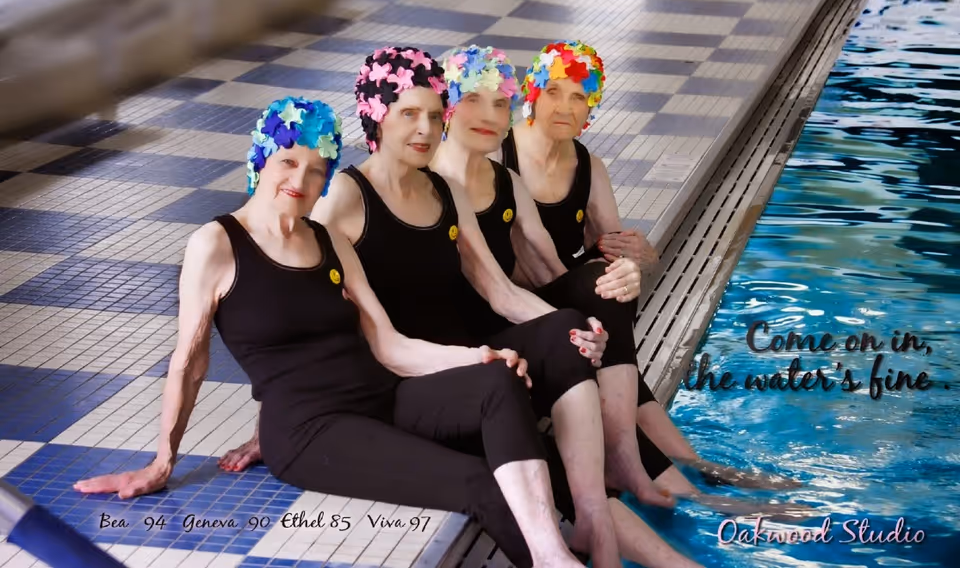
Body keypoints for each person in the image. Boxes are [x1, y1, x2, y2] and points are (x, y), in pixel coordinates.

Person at [71, 97, 589, 568]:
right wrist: (163, 460)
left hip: (385, 396)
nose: (301, 179)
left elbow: (390, 345)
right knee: (478, 480)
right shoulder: (218, 243)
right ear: (261, 160)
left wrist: (481, 357)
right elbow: (189, 361)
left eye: (318, 170)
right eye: (289, 162)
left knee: (498, 385)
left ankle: (576, 544)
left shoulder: (327, 239)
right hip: (312, 429)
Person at [500, 40, 803, 491]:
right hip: (518, 311)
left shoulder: (590, 167)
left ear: (591, 110)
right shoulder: (499, 157)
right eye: (555, 91)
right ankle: (649, 463)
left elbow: (624, 250)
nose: (565, 106)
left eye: (579, 97)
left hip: (572, 302)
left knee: (613, 283)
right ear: (532, 92)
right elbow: (526, 268)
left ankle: (692, 466)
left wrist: (639, 257)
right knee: (601, 288)